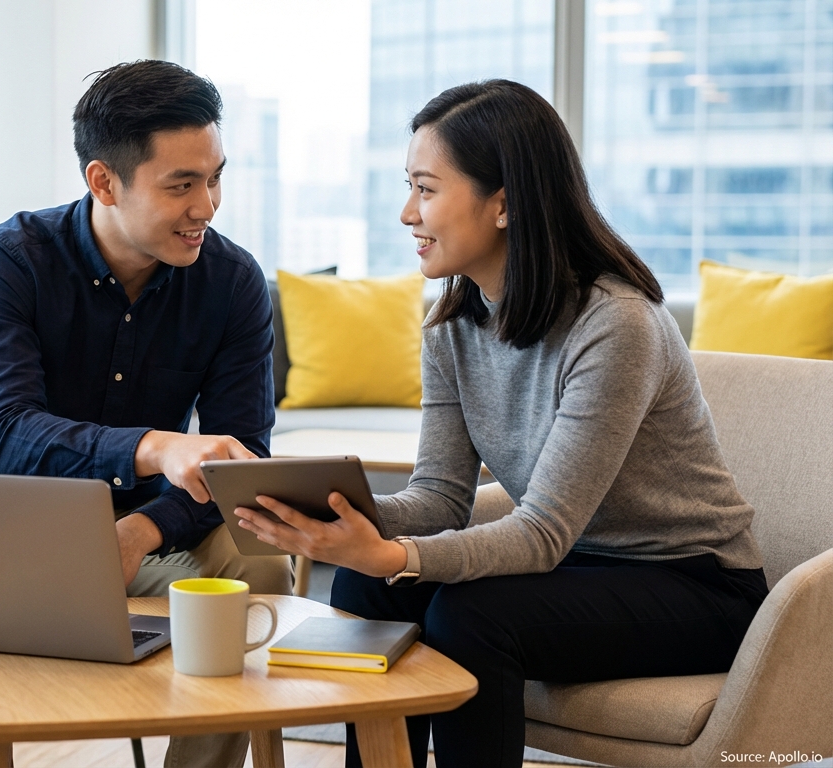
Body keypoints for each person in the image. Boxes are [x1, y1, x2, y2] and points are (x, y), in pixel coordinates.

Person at [233, 80, 768, 768]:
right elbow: (439, 500)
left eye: (426, 189)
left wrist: (396, 554)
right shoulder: (453, 329)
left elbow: (542, 532)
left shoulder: (616, 325)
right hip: (581, 563)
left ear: (505, 203)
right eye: (409, 187)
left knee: (469, 615)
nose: (406, 213)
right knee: (365, 585)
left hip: (695, 585)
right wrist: (343, 514)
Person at [0, 59, 291, 768]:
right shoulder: (7, 262)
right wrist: (156, 448)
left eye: (215, 177)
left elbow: (238, 455)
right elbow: (4, 432)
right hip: (4, 528)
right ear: (104, 181)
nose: (208, 206)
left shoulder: (232, 283)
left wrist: (140, 528)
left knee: (254, 558)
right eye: (182, 185)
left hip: (150, 533)